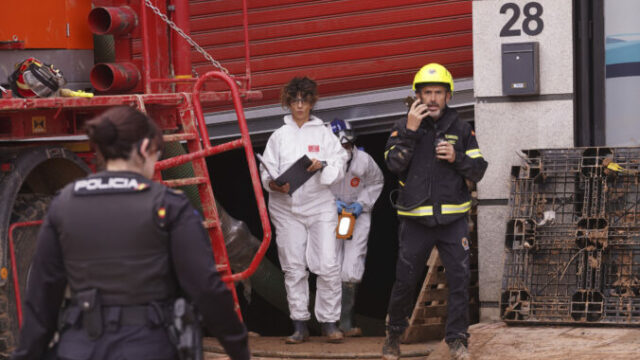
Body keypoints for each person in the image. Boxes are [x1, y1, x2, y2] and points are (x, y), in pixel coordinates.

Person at [10, 106, 250, 360]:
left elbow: (41, 298)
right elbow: (206, 289)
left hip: (79, 348)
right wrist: (238, 348)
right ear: (144, 149)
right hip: (148, 346)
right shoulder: (169, 206)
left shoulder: (64, 204)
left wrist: (27, 354)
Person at [381, 63, 488, 360]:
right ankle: (393, 337)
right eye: (426, 92)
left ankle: (456, 340)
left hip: (452, 219)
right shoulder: (403, 126)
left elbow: (479, 169)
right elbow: (394, 165)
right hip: (415, 220)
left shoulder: (462, 128)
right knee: (405, 280)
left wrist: (457, 157)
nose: (432, 98)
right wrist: (412, 133)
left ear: (448, 96)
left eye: (438, 92)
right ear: (417, 95)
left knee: (459, 279)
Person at [259, 77, 348, 344]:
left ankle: (330, 324)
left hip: (320, 205)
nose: (299, 106)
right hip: (286, 209)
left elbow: (340, 163)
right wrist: (273, 184)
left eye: (304, 100)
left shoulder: (323, 133)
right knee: (294, 268)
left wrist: (322, 165)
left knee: (328, 265)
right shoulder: (279, 136)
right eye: (295, 100)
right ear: (288, 102)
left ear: (312, 101)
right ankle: (299, 324)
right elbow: (266, 170)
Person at [328, 118, 384, 337]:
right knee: (329, 262)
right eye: (340, 145)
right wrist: (332, 204)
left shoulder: (364, 160)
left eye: (347, 144)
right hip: (330, 216)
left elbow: (376, 182)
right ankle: (329, 322)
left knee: (353, 263)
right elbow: (314, 187)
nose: (345, 149)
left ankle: (346, 321)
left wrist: (361, 204)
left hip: (357, 216)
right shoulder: (323, 161)